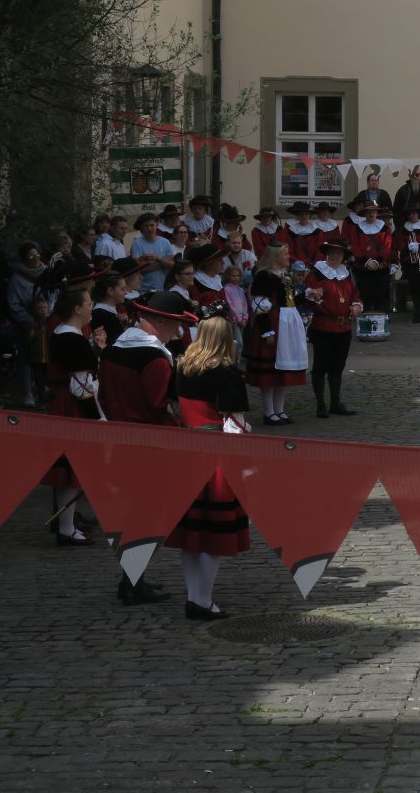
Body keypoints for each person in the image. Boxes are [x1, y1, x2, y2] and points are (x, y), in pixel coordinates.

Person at [99, 291, 198, 606]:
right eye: (177, 324)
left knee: (136, 512)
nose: (179, 332)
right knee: (151, 515)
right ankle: (132, 581)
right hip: (152, 445)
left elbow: (103, 396)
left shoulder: (114, 349)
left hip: (120, 440)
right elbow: (162, 406)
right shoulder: (155, 358)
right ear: (161, 321)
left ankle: (132, 578)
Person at [170, 314, 253, 620]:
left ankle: (194, 596)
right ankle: (203, 600)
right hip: (216, 455)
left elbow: (173, 407)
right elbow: (235, 423)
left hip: (186, 452)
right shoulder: (225, 371)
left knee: (192, 532)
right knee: (214, 532)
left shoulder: (183, 366)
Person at [42, 288, 99, 545]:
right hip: (71, 406)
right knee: (70, 471)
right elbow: (81, 387)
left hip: (64, 402)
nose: (91, 307)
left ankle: (66, 526)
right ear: (77, 308)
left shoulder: (65, 334)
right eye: (88, 303)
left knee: (68, 472)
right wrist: (95, 417)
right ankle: (66, 529)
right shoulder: (72, 339)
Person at [244, 241, 309, 427]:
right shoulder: (264, 276)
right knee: (270, 372)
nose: (288, 257)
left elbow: (289, 301)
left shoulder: (285, 276)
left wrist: (308, 295)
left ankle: (279, 410)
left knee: (282, 371)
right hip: (273, 323)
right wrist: (267, 331)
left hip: (285, 326)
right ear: (275, 256)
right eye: (285, 254)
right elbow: (259, 305)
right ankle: (269, 412)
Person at [308, 237, 363, 418]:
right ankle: (320, 405)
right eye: (332, 252)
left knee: (337, 367)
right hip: (323, 327)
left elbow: (355, 295)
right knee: (320, 366)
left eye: (339, 253)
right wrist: (315, 298)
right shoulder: (317, 272)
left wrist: (356, 305)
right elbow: (307, 296)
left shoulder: (346, 274)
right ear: (327, 253)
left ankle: (335, 403)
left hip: (343, 328)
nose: (335, 256)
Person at [344, 197, 396, 314]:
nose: (371, 214)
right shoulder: (357, 228)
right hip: (362, 268)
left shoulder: (384, 227)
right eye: (368, 212)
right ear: (364, 213)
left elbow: (387, 245)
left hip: (380, 268)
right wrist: (366, 261)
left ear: (377, 213)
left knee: (380, 295)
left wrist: (377, 261)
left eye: (373, 211)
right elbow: (355, 245)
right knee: (364, 295)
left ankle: (380, 320)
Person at [130, 213, 178, 294]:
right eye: (146, 226)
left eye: (152, 225)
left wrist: (159, 259)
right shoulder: (136, 243)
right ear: (141, 227)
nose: (149, 228)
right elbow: (138, 268)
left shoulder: (165, 242)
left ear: (157, 225)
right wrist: (162, 263)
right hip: (145, 290)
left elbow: (173, 265)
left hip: (164, 288)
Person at [283, 201, 321, 269]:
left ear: (309, 215)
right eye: (301, 214)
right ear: (297, 215)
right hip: (296, 265)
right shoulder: (291, 231)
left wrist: (315, 262)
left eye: (306, 214)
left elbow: (319, 249)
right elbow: (289, 249)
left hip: (313, 265)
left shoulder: (317, 230)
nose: (304, 216)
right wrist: (296, 261)